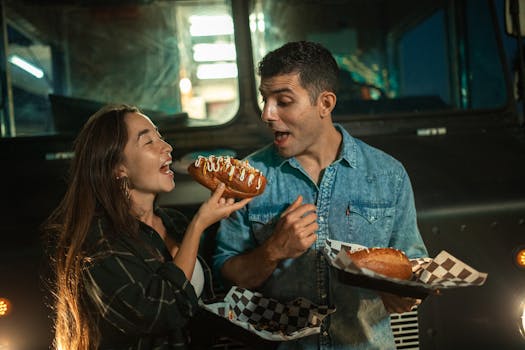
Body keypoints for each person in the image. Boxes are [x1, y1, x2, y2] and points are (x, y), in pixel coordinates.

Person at [213, 41, 428, 349]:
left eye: (283, 101)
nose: (267, 114)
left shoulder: (388, 174)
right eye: (265, 99)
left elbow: (414, 266)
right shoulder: (247, 176)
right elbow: (228, 280)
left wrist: (404, 293)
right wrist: (273, 250)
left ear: (325, 104)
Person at [43, 104, 251, 350]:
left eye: (160, 136)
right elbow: (163, 312)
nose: (167, 147)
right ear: (117, 168)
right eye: (148, 142)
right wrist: (199, 224)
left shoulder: (173, 222)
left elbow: (202, 306)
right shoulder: (98, 241)